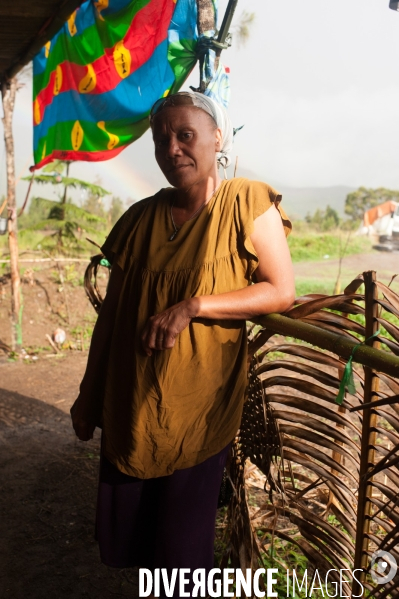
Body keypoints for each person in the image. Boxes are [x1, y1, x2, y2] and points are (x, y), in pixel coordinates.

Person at [70, 91, 295, 598]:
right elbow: (112, 321)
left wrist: (194, 305)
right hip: (132, 405)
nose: (172, 148)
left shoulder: (245, 201)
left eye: (186, 135)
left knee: (182, 554)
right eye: (161, 139)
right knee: (140, 544)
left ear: (217, 138)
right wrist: (89, 396)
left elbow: (279, 290)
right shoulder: (137, 220)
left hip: (198, 409)